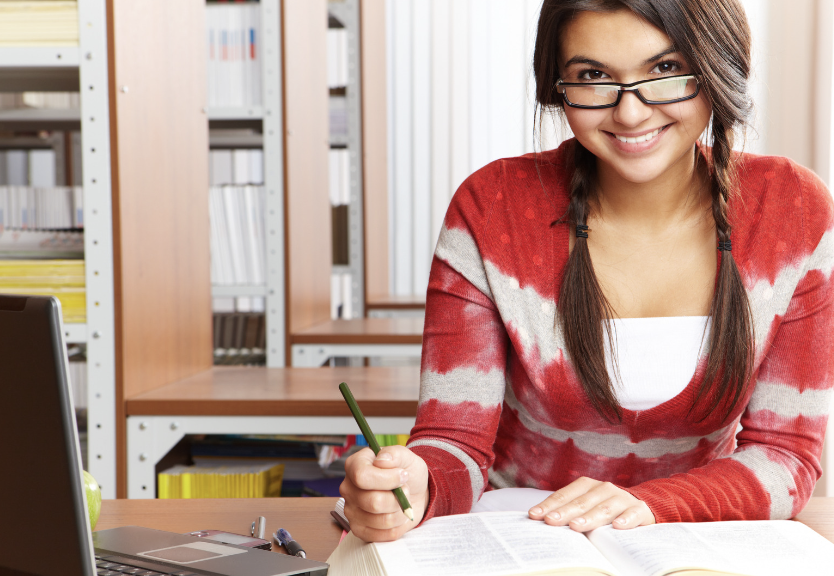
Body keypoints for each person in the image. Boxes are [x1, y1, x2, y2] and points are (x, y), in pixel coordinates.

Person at [340, 0, 834, 542]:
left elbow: (786, 456)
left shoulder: (793, 209)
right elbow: (454, 440)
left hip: (697, 539)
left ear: (718, 64)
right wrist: (417, 485)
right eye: (593, 76)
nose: (629, 113)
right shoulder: (492, 205)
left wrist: (647, 505)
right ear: (558, 85)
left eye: (665, 70)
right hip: (519, 536)